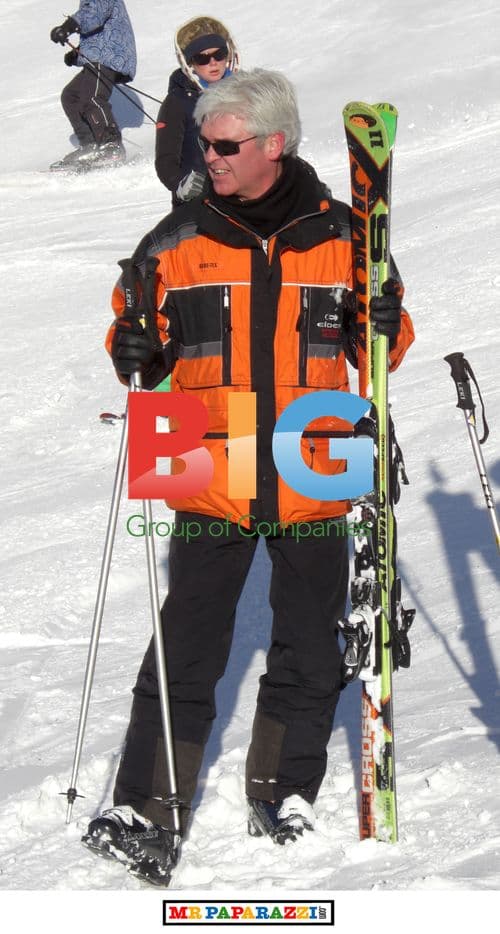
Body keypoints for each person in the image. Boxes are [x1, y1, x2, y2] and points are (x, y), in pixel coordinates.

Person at [81, 69, 415, 886]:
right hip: (200, 452)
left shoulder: (345, 234)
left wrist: (383, 321)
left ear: (274, 145)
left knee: (309, 634)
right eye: (205, 141)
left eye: (226, 144)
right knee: (187, 641)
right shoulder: (176, 234)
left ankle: (286, 786)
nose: (210, 154)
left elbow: (389, 344)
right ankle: (146, 806)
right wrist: (131, 349)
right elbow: (134, 334)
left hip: (317, 451)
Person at [155, 16, 239, 206]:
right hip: (199, 204)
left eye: (219, 54)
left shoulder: (246, 93)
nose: (213, 62)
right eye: (202, 58)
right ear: (190, 63)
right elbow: (165, 160)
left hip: (243, 201)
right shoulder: (177, 102)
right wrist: (181, 185)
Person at [49, 0, 137, 172]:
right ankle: (90, 146)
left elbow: (94, 14)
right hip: (101, 54)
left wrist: (68, 26)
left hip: (110, 55)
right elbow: (98, 32)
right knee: (71, 96)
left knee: (92, 98)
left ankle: (111, 146)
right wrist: (78, 54)